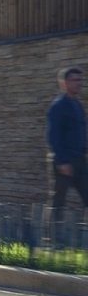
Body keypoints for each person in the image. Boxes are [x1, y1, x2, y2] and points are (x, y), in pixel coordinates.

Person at [47, 66, 87, 212]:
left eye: (80, 80)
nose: (79, 83)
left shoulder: (77, 105)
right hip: (64, 161)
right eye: (74, 80)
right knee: (58, 202)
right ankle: (51, 235)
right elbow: (53, 137)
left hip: (80, 161)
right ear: (64, 83)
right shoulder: (58, 106)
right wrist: (63, 162)